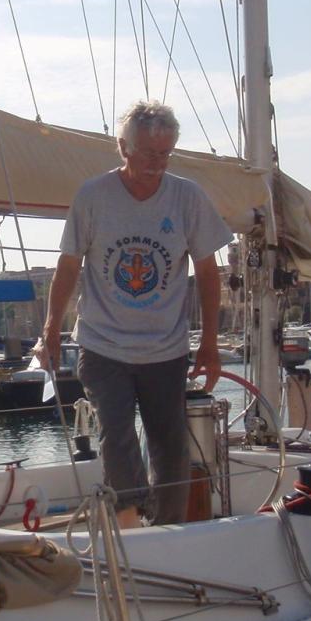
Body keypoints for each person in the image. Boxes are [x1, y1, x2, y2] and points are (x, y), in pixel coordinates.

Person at [39, 101, 231, 528]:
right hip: (103, 345)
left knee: (171, 447)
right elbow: (68, 266)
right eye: (147, 153)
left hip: (166, 348)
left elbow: (207, 272)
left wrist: (210, 344)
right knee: (117, 436)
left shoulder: (187, 197)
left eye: (165, 154)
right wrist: (51, 329)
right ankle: (127, 526)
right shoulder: (93, 196)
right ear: (124, 148)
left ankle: (168, 530)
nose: (157, 163)